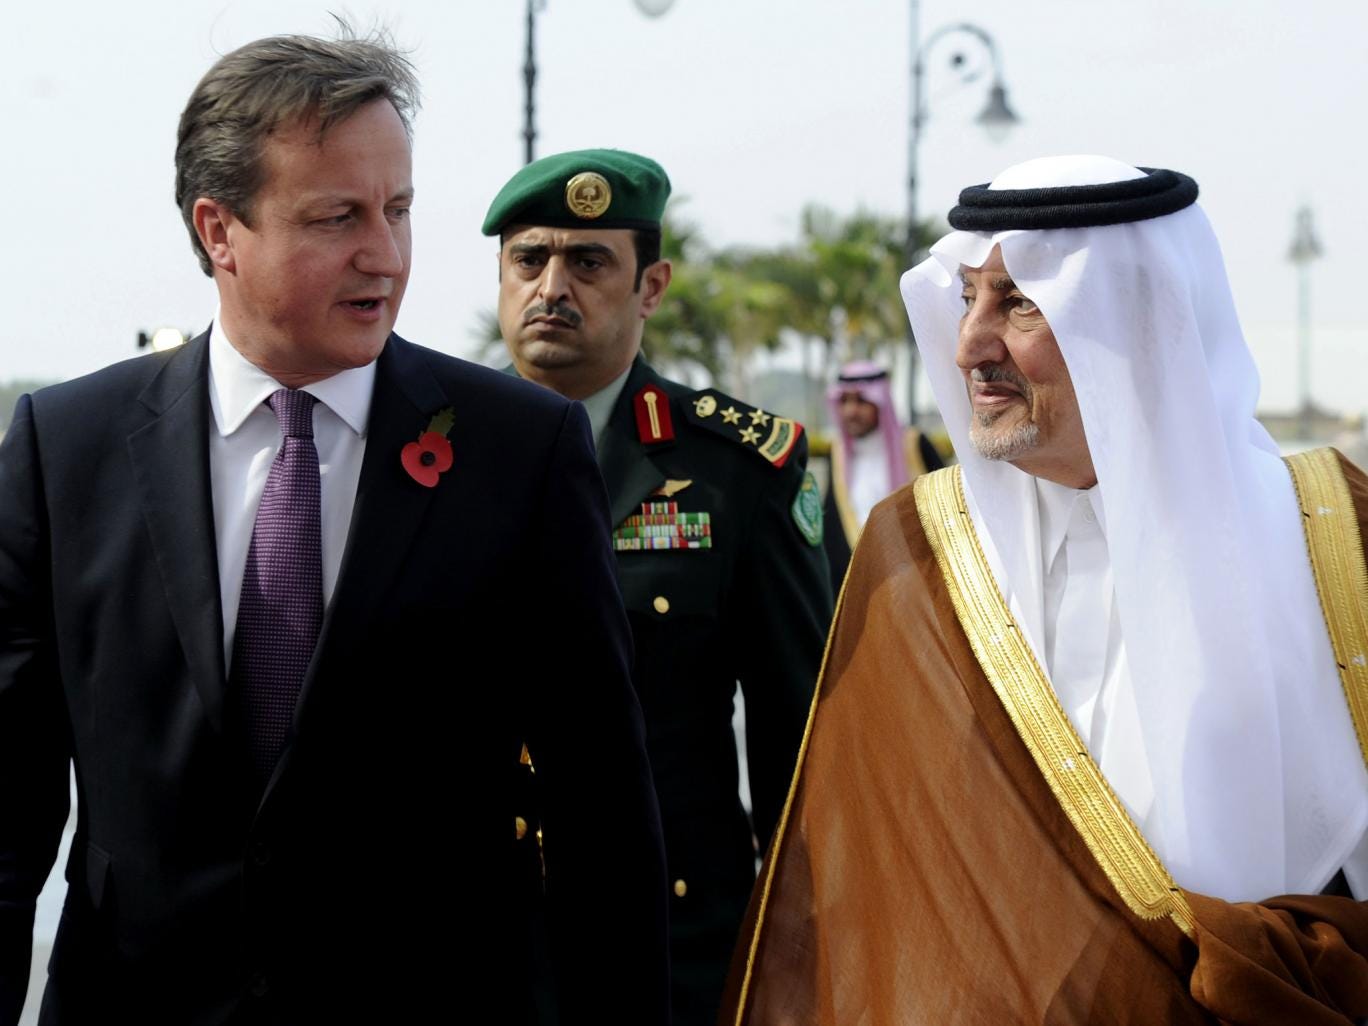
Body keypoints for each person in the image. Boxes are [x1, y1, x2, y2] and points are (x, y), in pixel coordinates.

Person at [0, 30, 669, 1026]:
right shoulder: (68, 447)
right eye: (336, 217)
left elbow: (602, 812)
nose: (387, 255)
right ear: (219, 230)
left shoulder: (519, 451)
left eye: (397, 210)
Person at [723, 156, 1368, 1025]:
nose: (969, 347)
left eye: (1020, 303)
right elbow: (866, 883)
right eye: (967, 299)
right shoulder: (918, 547)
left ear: (1137, 321)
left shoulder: (1338, 538)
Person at [484, 148, 833, 1026]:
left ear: (652, 286)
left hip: (672, 946)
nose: (552, 287)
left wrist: (800, 956)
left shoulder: (739, 471)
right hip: (470, 942)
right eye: (530, 259)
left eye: (589, 262)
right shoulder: (429, 454)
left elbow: (801, 751)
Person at [822, 360, 943, 589]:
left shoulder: (914, 445)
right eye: (844, 401)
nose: (850, 411)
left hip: (916, 581)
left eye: (861, 401)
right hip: (858, 583)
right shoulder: (837, 453)